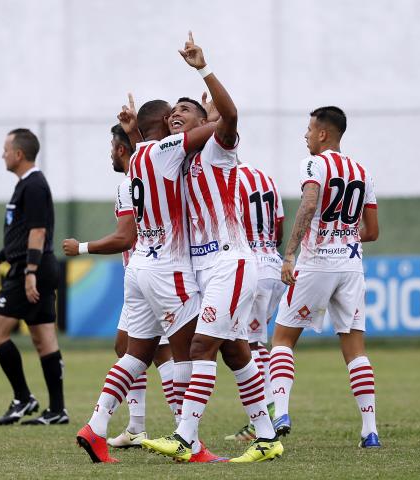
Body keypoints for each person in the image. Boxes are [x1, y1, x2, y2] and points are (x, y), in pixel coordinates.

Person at [141, 32, 283, 463]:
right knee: (235, 351)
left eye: (185, 110)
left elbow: (231, 115)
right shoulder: (176, 161)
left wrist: (203, 67)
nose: (175, 115)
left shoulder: (217, 152)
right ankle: (267, 436)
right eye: (173, 113)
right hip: (203, 268)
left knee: (202, 346)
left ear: (205, 122)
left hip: (230, 262)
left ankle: (185, 437)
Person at [75, 93, 221, 463]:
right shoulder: (166, 149)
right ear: (163, 125)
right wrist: (216, 112)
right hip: (167, 269)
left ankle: (96, 426)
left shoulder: (138, 156)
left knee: (134, 356)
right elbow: (218, 129)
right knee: (191, 353)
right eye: (173, 116)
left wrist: (133, 131)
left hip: (139, 266)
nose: (177, 119)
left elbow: (149, 145)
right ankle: (189, 441)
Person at [270, 106, 382, 448]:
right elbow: (373, 231)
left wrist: (289, 254)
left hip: (316, 263)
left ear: (323, 134)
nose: (305, 135)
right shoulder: (362, 172)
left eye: (309, 129)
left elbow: (307, 205)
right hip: (350, 267)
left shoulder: (314, 164)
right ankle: (370, 430)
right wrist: (344, 235)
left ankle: (281, 413)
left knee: (283, 340)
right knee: (355, 349)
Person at [62, 123, 177, 448]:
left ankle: (184, 429)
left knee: (165, 352)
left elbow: (125, 237)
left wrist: (81, 247)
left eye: (113, 145)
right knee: (128, 348)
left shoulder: (130, 185)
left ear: (122, 149)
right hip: (146, 275)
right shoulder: (151, 179)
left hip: (156, 274)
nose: (110, 152)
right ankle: (138, 427)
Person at [0, 128, 67, 426]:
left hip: (30, 270)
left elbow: (38, 232)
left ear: (18, 154)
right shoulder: (27, 185)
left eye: (6, 149)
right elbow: (21, 233)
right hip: (35, 267)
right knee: (44, 339)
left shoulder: (33, 186)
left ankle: (23, 398)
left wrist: (29, 272)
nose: (2, 154)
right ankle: (57, 410)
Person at [225, 161, 285, 441]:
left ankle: (265, 412)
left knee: (247, 344)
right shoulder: (266, 177)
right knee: (255, 341)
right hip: (272, 262)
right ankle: (265, 412)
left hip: (251, 266)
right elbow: (279, 225)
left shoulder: (229, 179)